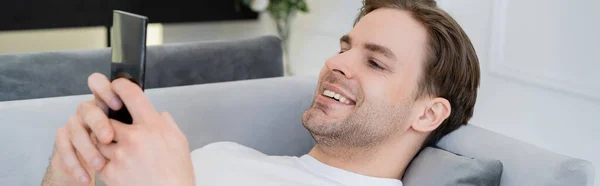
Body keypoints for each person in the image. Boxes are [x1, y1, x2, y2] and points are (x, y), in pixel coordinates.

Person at [42, 0, 480, 185]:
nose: (336, 63)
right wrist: (65, 174)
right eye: (344, 48)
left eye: (375, 62)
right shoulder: (226, 155)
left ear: (427, 114)